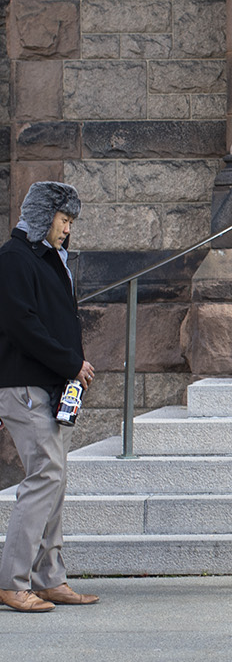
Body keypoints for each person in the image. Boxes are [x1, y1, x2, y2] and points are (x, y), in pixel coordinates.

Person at [0, 180, 98, 612]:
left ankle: (48, 577)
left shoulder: (47, 258)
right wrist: (70, 362)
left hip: (50, 386)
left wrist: (70, 368)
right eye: (63, 220)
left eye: (71, 222)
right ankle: (12, 580)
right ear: (43, 215)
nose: (67, 230)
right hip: (25, 386)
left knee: (53, 481)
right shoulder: (15, 258)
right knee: (44, 478)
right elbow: (21, 325)